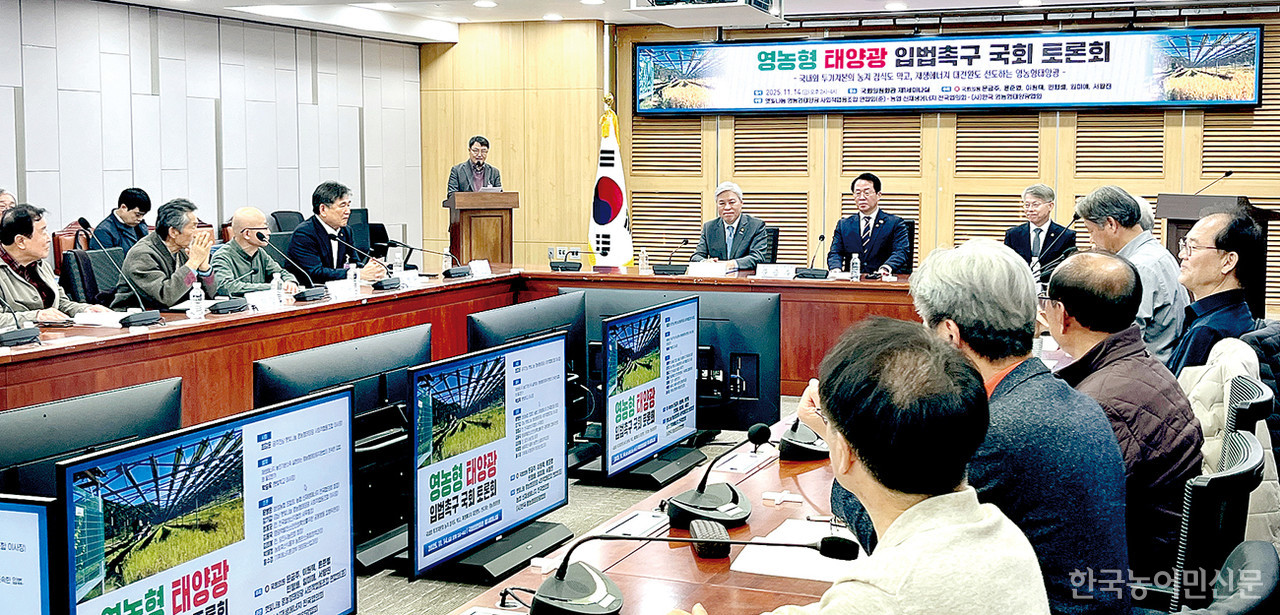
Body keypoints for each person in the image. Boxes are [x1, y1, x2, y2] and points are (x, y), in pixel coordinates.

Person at [813, 239, 1128, 614]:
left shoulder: (995, 432)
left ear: (948, 335)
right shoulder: (1068, 399)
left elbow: (897, 538)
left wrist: (842, 433)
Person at [673, 318, 1050, 615]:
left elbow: (877, 602)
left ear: (845, 452)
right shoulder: (1006, 536)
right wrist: (836, 431)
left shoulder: (882, 593)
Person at [1044, 251, 1203, 580]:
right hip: (1164, 550)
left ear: (1061, 315)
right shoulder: (1139, 364)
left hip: (1136, 573)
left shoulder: (1102, 404)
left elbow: (1072, 516)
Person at [1076, 185, 1188, 364]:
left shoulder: (1140, 267)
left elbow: (1123, 342)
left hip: (1145, 371)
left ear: (1111, 224)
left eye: (1091, 231)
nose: (1091, 240)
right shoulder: (1155, 253)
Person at [1166, 212, 1262, 376]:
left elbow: (1175, 398)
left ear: (1228, 261)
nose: (1182, 255)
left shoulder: (1208, 331)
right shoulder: (1239, 313)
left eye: (1193, 247)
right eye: (1184, 245)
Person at [0, 204, 112, 323]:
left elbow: (61, 304)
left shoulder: (41, 265)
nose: (48, 238)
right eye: (43, 232)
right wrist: (37, 316)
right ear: (21, 241)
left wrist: (85, 309)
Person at [112, 198, 217, 310]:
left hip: (174, 316)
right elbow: (166, 296)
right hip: (139, 318)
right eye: (193, 227)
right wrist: (193, 262)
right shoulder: (142, 254)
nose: (197, 233)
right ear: (173, 232)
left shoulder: (182, 250)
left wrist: (204, 268)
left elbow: (211, 295)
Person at [287, 181, 385, 283]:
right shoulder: (304, 234)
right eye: (342, 206)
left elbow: (354, 262)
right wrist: (357, 274)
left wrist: (371, 269)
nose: (348, 211)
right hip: (310, 293)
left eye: (348, 205)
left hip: (339, 290)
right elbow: (315, 273)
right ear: (323, 209)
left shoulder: (346, 231)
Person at [827, 173, 910, 276]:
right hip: (852, 284)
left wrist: (886, 268)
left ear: (878, 195)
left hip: (883, 283)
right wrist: (835, 269)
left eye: (867, 193)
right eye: (857, 193)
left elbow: (901, 251)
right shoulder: (844, 225)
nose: (861, 197)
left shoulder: (895, 223)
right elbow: (835, 253)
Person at [212, 207, 299, 297]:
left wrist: (290, 282)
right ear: (247, 234)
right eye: (264, 228)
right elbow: (227, 287)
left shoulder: (260, 253)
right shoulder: (222, 257)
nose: (269, 232)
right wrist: (274, 287)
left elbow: (280, 273)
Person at [1003, 183, 1075, 283]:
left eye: (1035, 205)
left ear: (1050, 206)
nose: (1030, 209)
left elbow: (1067, 270)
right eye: (1027, 205)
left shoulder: (1065, 235)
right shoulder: (1013, 234)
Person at [689, 181, 769, 271]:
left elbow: (757, 257)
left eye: (731, 202)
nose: (727, 207)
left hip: (744, 280)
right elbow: (696, 256)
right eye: (722, 203)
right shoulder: (709, 228)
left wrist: (731, 264)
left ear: (741, 203)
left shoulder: (755, 226)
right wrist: (705, 262)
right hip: (717, 281)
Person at [93, 187, 152, 252]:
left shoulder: (141, 225)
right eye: (137, 214)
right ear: (123, 207)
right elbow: (104, 261)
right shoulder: (103, 232)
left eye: (143, 215)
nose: (140, 219)